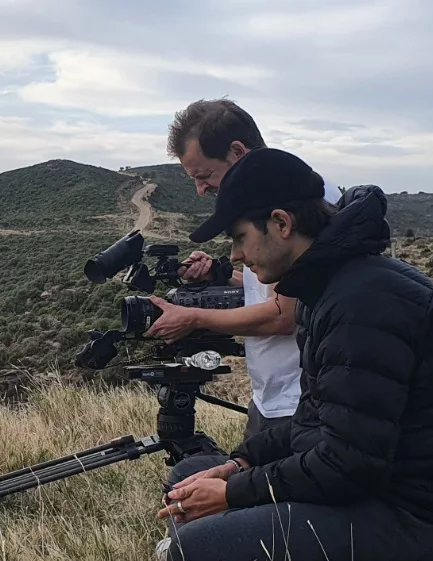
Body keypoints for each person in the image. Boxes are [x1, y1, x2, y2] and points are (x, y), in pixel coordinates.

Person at [154, 148, 433, 561]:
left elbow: (349, 465)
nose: (234, 256)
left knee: (188, 555)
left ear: (281, 223)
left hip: (404, 515)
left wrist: (233, 494)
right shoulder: (328, 287)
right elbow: (314, 419)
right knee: (189, 477)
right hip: (365, 487)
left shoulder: (363, 303)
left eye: (239, 237)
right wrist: (238, 465)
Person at [146, 99, 343, 441]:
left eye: (205, 175)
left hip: (298, 402)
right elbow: (271, 290)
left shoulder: (287, 211)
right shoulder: (257, 208)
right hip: (269, 397)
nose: (201, 189)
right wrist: (222, 277)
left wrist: (191, 317)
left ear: (237, 152)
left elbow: (284, 315)